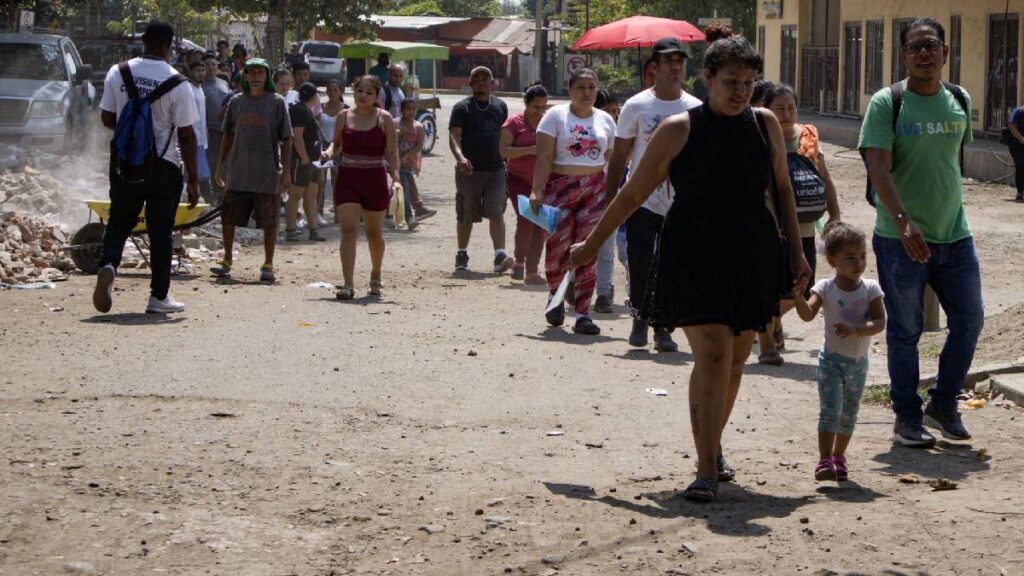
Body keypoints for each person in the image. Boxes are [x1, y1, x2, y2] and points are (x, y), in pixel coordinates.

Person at [569, 34, 809, 502]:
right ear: (708, 79)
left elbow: (782, 190)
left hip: (752, 251)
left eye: (747, 82)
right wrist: (592, 243)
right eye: (730, 82)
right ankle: (704, 469)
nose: (740, 91)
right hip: (694, 250)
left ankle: (713, 444)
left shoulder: (764, 126)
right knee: (714, 355)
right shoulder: (679, 129)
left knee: (737, 358)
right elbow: (632, 194)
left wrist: (796, 254)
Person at [860, 17, 983, 448]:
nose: (924, 54)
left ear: (946, 52)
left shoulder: (959, 99)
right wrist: (903, 220)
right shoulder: (887, 102)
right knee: (906, 331)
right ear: (904, 55)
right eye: (915, 48)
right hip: (900, 240)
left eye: (931, 46)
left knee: (969, 319)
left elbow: (951, 162)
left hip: (956, 235)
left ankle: (944, 403)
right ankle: (906, 417)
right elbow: (877, 165)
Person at [94, 20, 199, 314]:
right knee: (160, 230)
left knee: (118, 220)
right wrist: (193, 179)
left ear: (144, 41)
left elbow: (106, 118)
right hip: (164, 166)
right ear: (169, 46)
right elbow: (187, 135)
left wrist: (134, 132)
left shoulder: (119, 71)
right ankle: (158, 297)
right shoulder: (178, 82)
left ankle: (108, 264)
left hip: (126, 163)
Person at [606, 37, 703, 351]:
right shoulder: (636, 105)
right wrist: (611, 200)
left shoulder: (695, 108)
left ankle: (664, 327)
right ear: (655, 67)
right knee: (641, 261)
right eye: (668, 61)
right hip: (641, 199)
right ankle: (639, 319)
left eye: (679, 61)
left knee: (673, 263)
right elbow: (620, 156)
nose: (675, 67)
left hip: (680, 202)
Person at [792, 222, 885, 482]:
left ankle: (839, 457)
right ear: (832, 260)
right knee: (830, 410)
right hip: (831, 361)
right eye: (851, 258)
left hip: (858, 364)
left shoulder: (871, 289)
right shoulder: (825, 288)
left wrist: (857, 328)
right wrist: (798, 297)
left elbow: (880, 323)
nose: (859, 263)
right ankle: (824, 459)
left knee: (849, 413)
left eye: (863, 257)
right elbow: (807, 314)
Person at [756, 83, 841, 366]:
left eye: (791, 107)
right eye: (779, 108)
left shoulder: (807, 138)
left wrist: (835, 216)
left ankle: (773, 319)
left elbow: (825, 178)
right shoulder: (759, 137)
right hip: (770, 227)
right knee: (767, 286)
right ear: (766, 110)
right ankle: (767, 344)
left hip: (804, 227)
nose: (786, 113)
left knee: (803, 289)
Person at [530, 68, 617, 336]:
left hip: (594, 190)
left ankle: (582, 314)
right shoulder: (554, 116)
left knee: (587, 251)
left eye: (591, 87)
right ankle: (555, 297)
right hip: (559, 188)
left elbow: (612, 161)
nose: (586, 93)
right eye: (580, 87)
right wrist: (536, 190)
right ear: (570, 89)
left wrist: (614, 194)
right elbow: (543, 157)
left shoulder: (606, 120)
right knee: (557, 247)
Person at [211, 58, 293, 283]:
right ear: (245, 77)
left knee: (269, 221)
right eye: (252, 73)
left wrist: (286, 173)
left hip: (267, 173)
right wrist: (220, 166)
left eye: (261, 73)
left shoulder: (276, 102)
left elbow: (287, 139)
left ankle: (268, 264)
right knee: (228, 217)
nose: (256, 77)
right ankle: (226, 259)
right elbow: (227, 135)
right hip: (238, 172)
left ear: (267, 77)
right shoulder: (236, 103)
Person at [321, 75, 402, 299]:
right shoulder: (343, 116)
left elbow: (392, 153)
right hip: (347, 177)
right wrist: (328, 152)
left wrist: (395, 177)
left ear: (376, 96)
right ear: (353, 92)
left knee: (374, 233)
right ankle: (347, 284)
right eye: (359, 91)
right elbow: (336, 144)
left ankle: (375, 275)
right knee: (348, 230)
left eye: (369, 92)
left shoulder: (384, 119)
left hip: (374, 179)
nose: (363, 96)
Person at [449, 66, 514, 273]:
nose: (481, 82)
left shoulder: (500, 106)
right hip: (469, 171)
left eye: (485, 79)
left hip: (496, 169)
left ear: (492, 82)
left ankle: (499, 255)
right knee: (466, 213)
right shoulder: (462, 108)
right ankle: (462, 253)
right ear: (470, 84)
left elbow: (507, 137)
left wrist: (510, 160)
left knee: (496, 212)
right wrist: (460, 158)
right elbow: (454, 136)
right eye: (476, 79)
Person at [500, 82, 548, 284]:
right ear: (526, 104)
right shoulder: (514, 123)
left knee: (542, 224)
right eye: (535, 107)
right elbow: (503, 151)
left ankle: (532, 270)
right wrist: (530, 149)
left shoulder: (548, 123)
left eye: (543, 107)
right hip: (518, 179)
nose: (539, 111)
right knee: (526, 218)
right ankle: (519, 262)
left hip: (543, 180)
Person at [285, 82, 325, 242]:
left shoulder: (305, 111)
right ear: (314, 97)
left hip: (314, 161)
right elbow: (297, 136)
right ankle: (291, 230)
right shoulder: (300, 111)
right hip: (303, 161)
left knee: (311, 195)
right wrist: (304, 158)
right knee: (295, 195)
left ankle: (313, 229)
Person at [593, 88, 621, 313]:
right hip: (587, 196)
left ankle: (603, 293)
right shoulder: (589, 131)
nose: (613, 115)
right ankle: (573, 283)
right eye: (608, 111)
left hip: (612, 197)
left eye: (615, 111)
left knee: (607, 250)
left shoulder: (624, 134)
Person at [201, 52, 232, 204]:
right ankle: (213, 192)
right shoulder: (200, 86)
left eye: (214, 64)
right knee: (213, 161)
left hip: (226, 129)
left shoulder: (223, 83)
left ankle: (224, 192)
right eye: (208, 65)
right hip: (210, 129)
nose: (211, 67)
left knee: (226, 161)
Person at [397, 98, 424, 231]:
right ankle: (409, 217)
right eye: (408, 109)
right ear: (402, 110)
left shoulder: (419, 126)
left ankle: (386, 210)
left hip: (409, 163)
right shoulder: (395, 123)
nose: (411, 112)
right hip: (396, 162)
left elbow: (419, 145)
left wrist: (406, 156)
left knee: (400, 188)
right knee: (404, 190)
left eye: (413, 109)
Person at [187, 61, 211, 193]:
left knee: (201, 175)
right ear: (191, 72)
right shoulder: (188, 90)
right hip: (192, 139)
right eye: (198, 70)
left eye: (203, 70)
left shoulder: (200, 89)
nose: (201, 73)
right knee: (197, 175)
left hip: (202, 140)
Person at [1005, 102, 1024, 202]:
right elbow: (1012, 126)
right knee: (1021, 166)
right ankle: (1020, 192)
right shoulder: (1019, 111)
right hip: (1018, 145)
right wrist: (1021, 138)